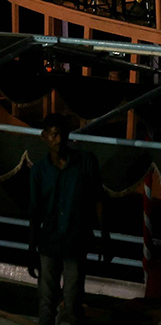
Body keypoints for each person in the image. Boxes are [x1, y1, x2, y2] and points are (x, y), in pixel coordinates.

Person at [27, 114, 108, 325]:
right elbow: (35, 212)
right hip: (50, 242)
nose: (59, 140)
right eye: (54, 135)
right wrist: (31, 248)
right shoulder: (39, 171)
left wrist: (104, 236)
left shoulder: (85, 163)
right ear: (45, 136)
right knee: (46, 301)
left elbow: (98, 199)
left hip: (75, 240)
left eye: (61, 134)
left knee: (72, 301)